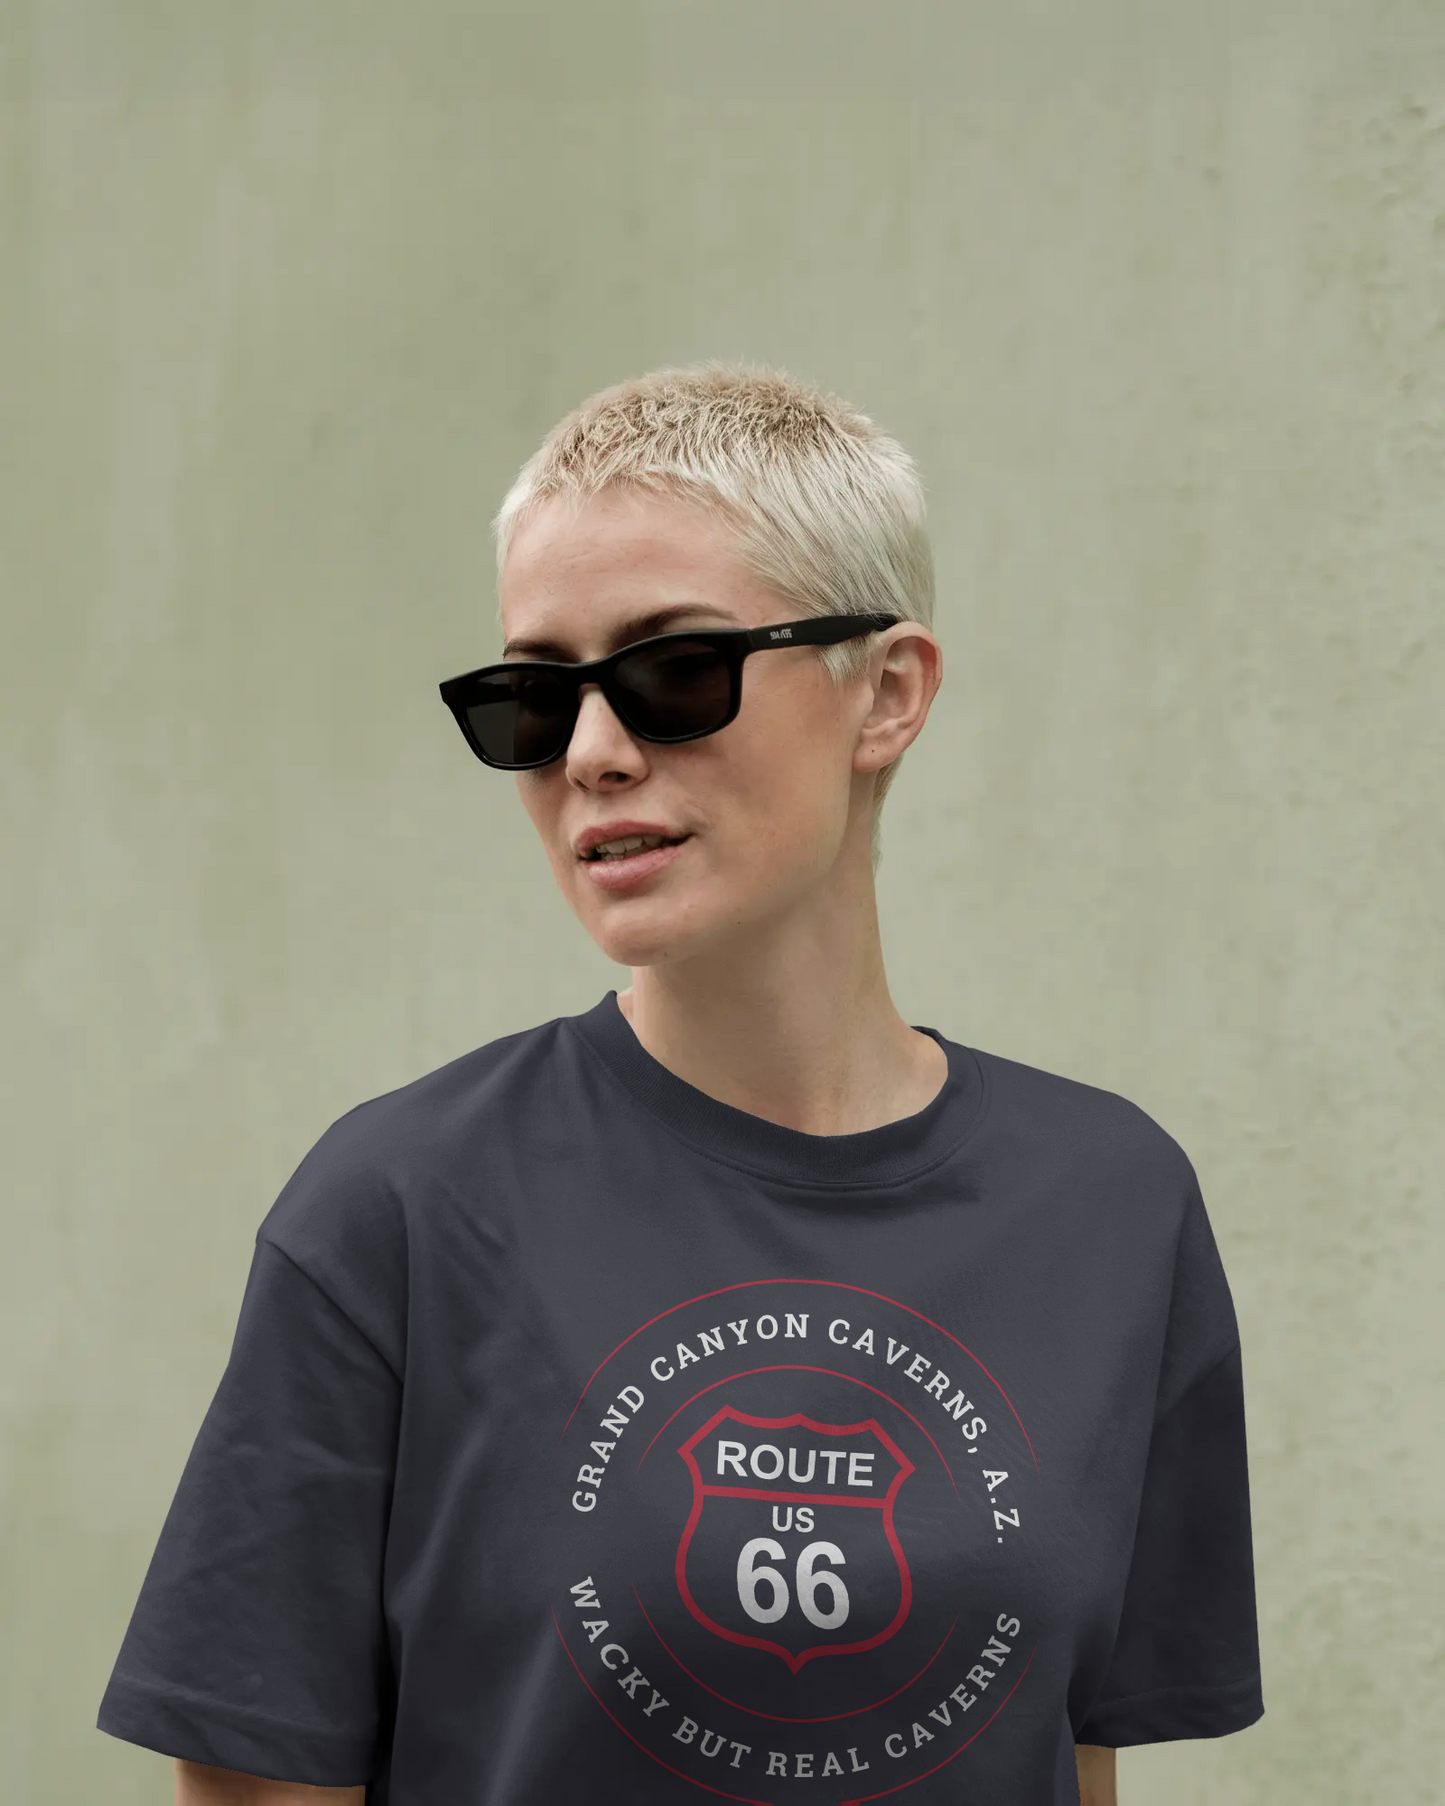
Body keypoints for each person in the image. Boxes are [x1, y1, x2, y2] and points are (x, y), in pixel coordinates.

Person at [99, 367, 1263, 1806]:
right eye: (533, 694)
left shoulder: (1112, 1205)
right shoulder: (395, 1211)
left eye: (673, 671)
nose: (591, 751)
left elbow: (1067, 1759)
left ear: (885, 692)